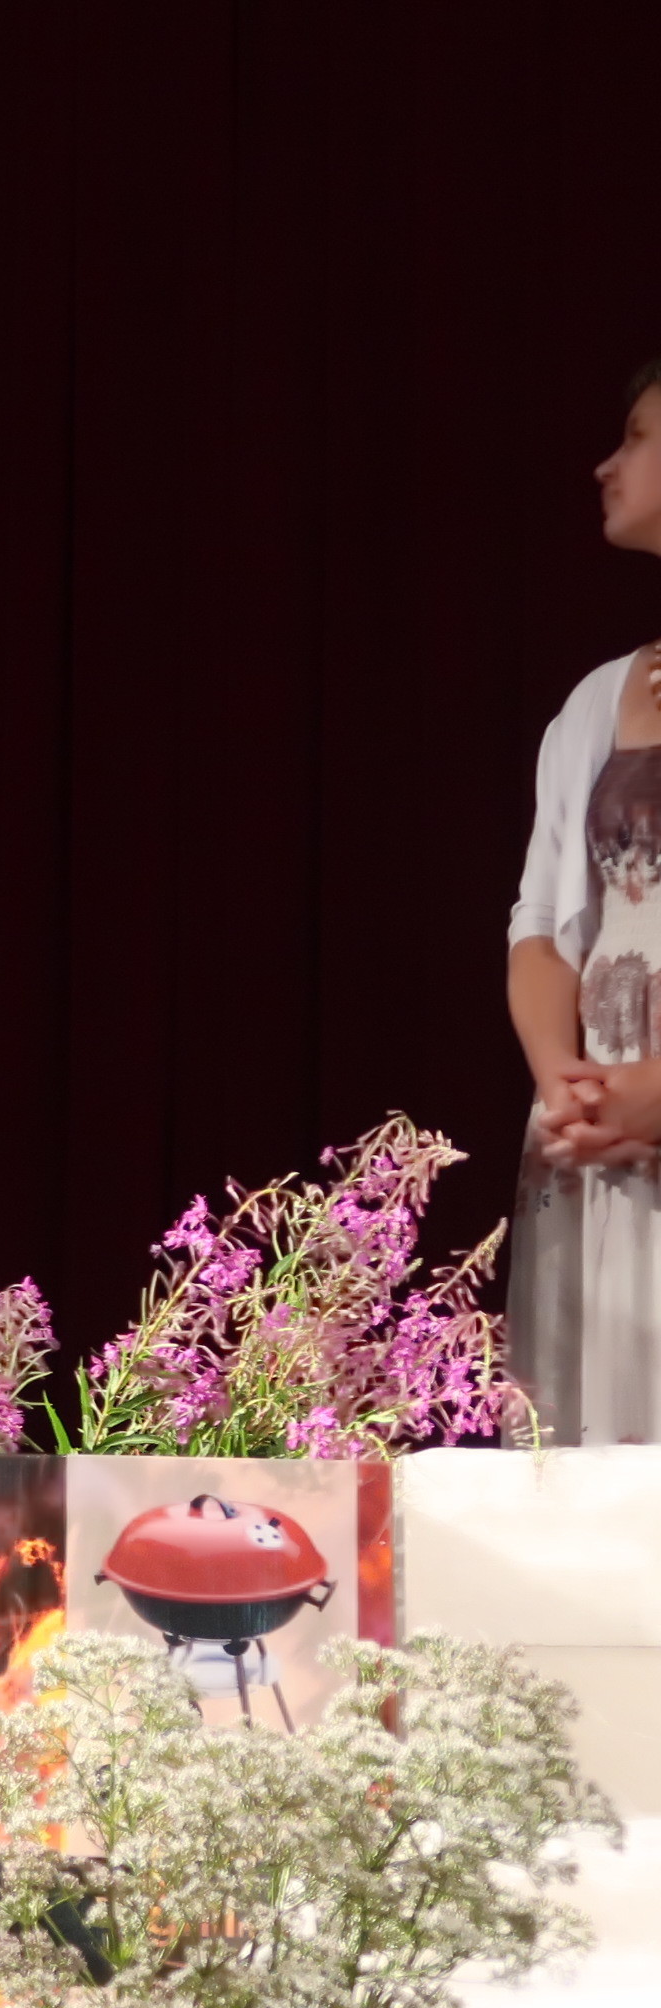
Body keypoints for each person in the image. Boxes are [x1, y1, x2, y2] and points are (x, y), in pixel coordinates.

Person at [508, 357, 661, 1443]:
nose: (608, 463)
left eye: (640, 437)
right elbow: (539, 926)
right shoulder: (598, 700)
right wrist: (564, 1082)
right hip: (605, 1134)